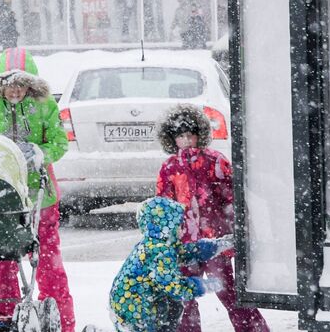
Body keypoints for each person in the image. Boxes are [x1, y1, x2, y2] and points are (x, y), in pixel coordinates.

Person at [0, 47, 75, 332]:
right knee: (0, 265)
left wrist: (39, 153)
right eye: (9, 85)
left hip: (41, 197)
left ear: (32, 85)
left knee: (49, 266)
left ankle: (61, 324)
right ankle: (4, 321)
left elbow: (59, 143)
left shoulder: (45, 105)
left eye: (22, 85)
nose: (15, 91)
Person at [156, 104, 270, 332]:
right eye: (181, 136)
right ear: (172, 138)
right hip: (184, 244)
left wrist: (239, 228)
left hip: (213, 241)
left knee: (229, 291)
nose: (187, 140)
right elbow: (163, 205)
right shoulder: (169, 167)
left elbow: (232, 198)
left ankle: (253, 329)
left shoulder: (215, 162)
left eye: (191, 135)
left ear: (200, 135)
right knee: (183, 297)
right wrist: (164, 236)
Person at [107, 196, 233, 332]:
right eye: (179, 224)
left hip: (133, 302)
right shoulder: (159, 250)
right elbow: (174, 287)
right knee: (172, 306)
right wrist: (201, 286)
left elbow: (186, 253)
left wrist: (217, 245)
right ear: (166, 226)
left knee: (173, 307)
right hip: (135, 308)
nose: (182, 228)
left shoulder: (158, 244)